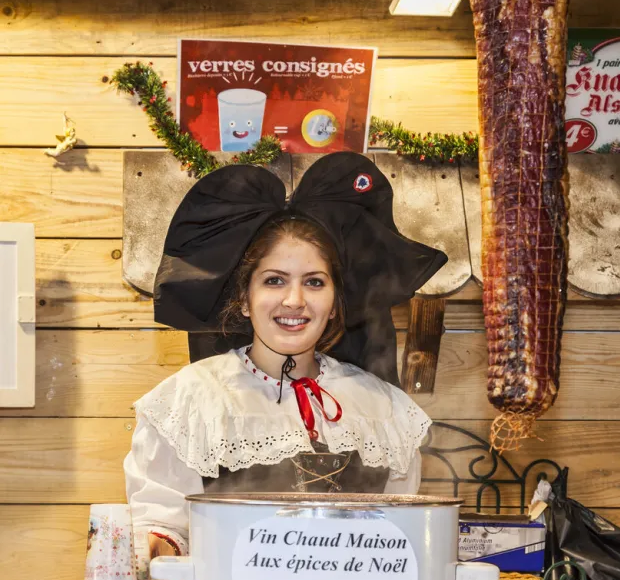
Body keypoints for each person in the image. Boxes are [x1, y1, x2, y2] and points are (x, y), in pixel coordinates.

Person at [124, 153, 447, 559]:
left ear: (335, 303)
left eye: (314, 282)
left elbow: (400, 543)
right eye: (274, 280)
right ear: (245, 299)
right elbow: (161, 530)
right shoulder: (189, 401)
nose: (294, 300)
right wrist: (153, 547)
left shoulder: (385, 411)